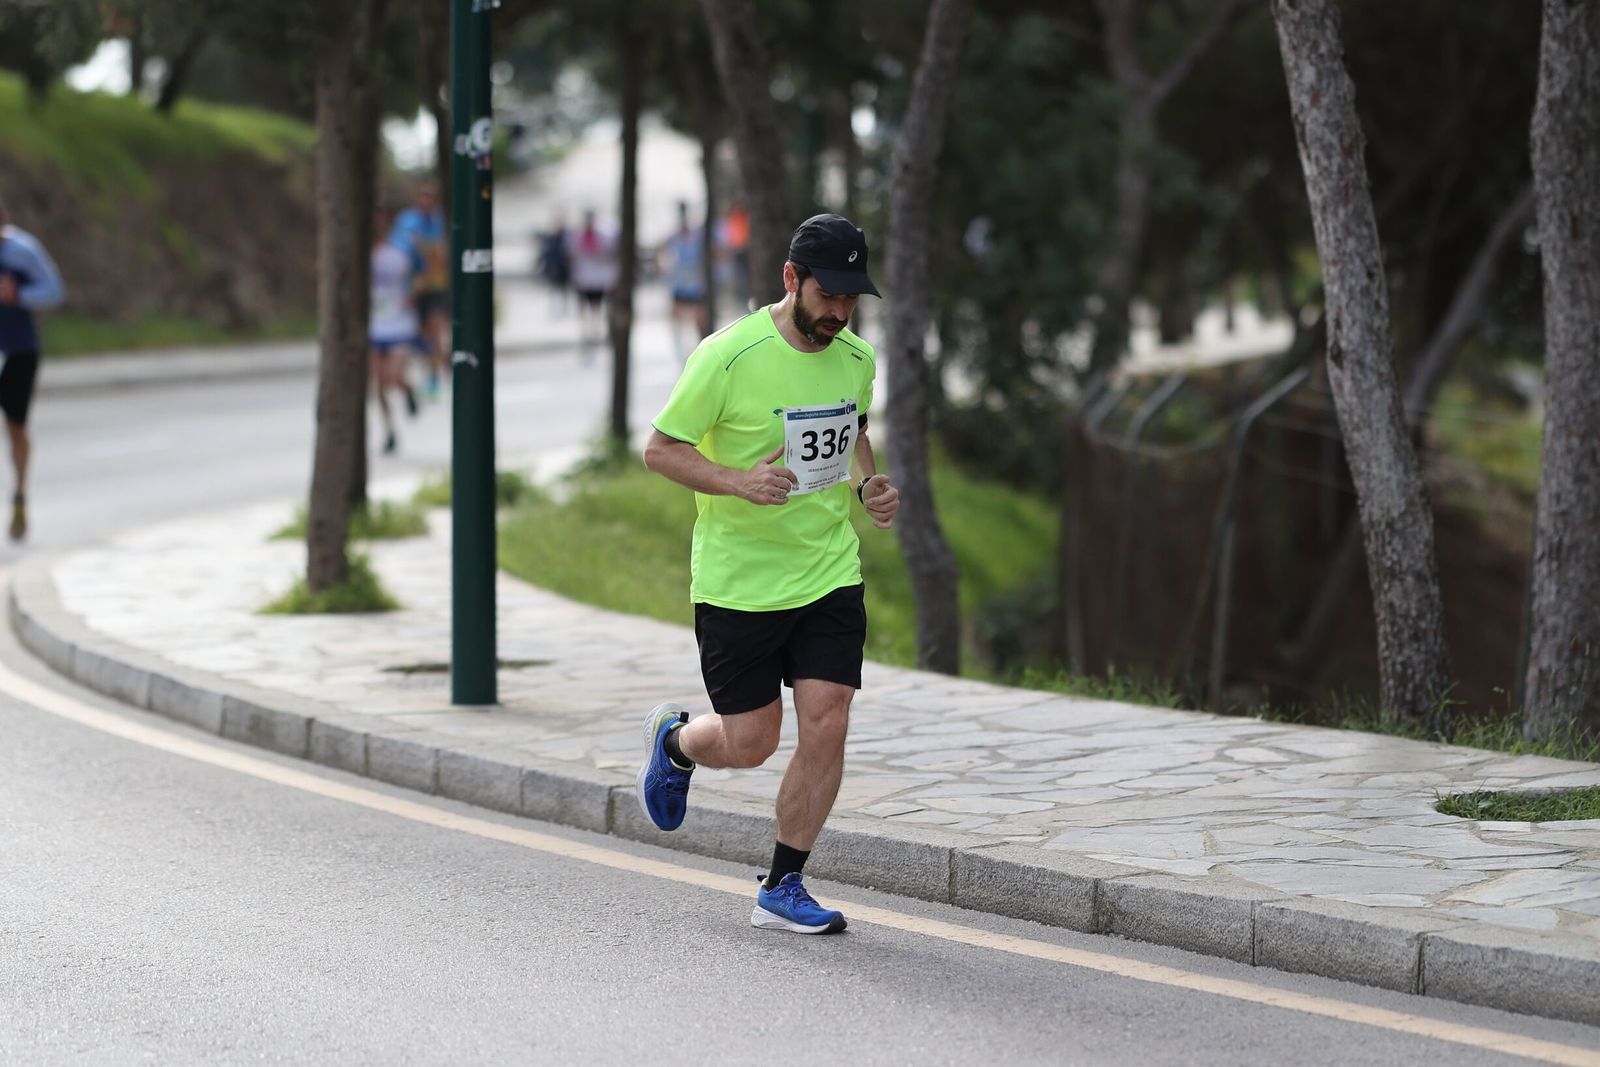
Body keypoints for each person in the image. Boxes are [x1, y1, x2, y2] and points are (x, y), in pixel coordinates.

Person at [637, 214, 900, 935]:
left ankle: (783, 884)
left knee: (828, 720)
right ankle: (676, 743)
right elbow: (660, 450)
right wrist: (737, 482)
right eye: (828, 294)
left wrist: (868, 486)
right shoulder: (728, 355)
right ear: (791, 278)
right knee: (750, 742)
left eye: (851, 298)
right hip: (740, 584)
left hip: (827, 572)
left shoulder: (856, 357)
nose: (840, 311)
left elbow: (855, 430)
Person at [0, 196, 65, 542]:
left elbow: (55, 290)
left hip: (18, 349)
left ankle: (20, 494)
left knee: (15, 428)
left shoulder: (23, 251)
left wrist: (19, 295)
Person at [390, 180, 449, 399]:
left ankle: (434, 376)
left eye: (431, 195)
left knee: (435, 328)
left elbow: (441, 256)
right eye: (423, 195)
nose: (427, 200)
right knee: (420, 335)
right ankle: (429, 368)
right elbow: (399, 251)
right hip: (413, 286)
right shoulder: (407, 222)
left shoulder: (441, 222)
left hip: (435, 285)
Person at [369, 205, 420, 456]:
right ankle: (389, 431)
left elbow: (426, 271)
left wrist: (414, 294)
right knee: (379, 386)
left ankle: (408, 389)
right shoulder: (364, 249)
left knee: (394, 376)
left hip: (400, 322)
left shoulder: (404, 245)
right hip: (376, 324)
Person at [660, 201, 709, 362]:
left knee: (697, 319)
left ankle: (698, 349)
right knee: (678, 319)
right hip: (681, 283)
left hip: (695, 284)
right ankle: (682, 351)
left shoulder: (697, 235)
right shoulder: (675, 236)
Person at [567, 209, 617, 354]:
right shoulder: (578, 236)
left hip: (597, 279)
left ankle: (594, 331)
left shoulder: (602, 235)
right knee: (586, 307)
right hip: (585, 279)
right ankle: (587, 332)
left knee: (596, 307)